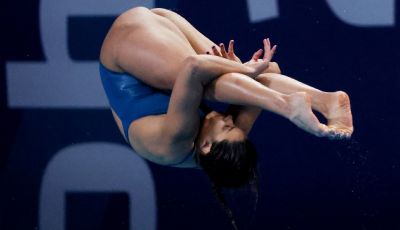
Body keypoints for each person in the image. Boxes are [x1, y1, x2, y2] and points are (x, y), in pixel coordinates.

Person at [99, 7, 353, 229]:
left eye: (228, 126)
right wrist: (245, 73)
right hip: (162, 32)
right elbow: (270, 73)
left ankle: (290, 106)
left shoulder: (176, 141)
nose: (229, 120)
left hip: (125, 45)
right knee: (241, 81)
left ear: (206, 146)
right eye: (234, 125)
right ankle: (324, 99)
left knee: (210, 82)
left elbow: (194, 67)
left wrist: (241, 70)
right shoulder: (216, 144)